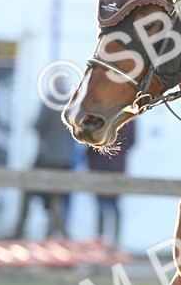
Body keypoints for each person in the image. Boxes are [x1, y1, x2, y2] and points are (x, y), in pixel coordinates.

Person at [11, 103, 77, 239]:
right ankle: (58, 231)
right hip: (64, 159)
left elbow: (39, 125)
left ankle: (20, 229)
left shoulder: (49, 103)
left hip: (47, 157)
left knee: (29, 190)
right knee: (55, 196)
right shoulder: (72, 105)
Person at [87, 123, 136, 246]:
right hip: (116, 166)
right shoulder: (129, 118)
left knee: (104, 205)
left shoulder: (101, 117)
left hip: (100, 166)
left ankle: (103, 240)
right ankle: (112, 240)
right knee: (110, 205)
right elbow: (132, 140)